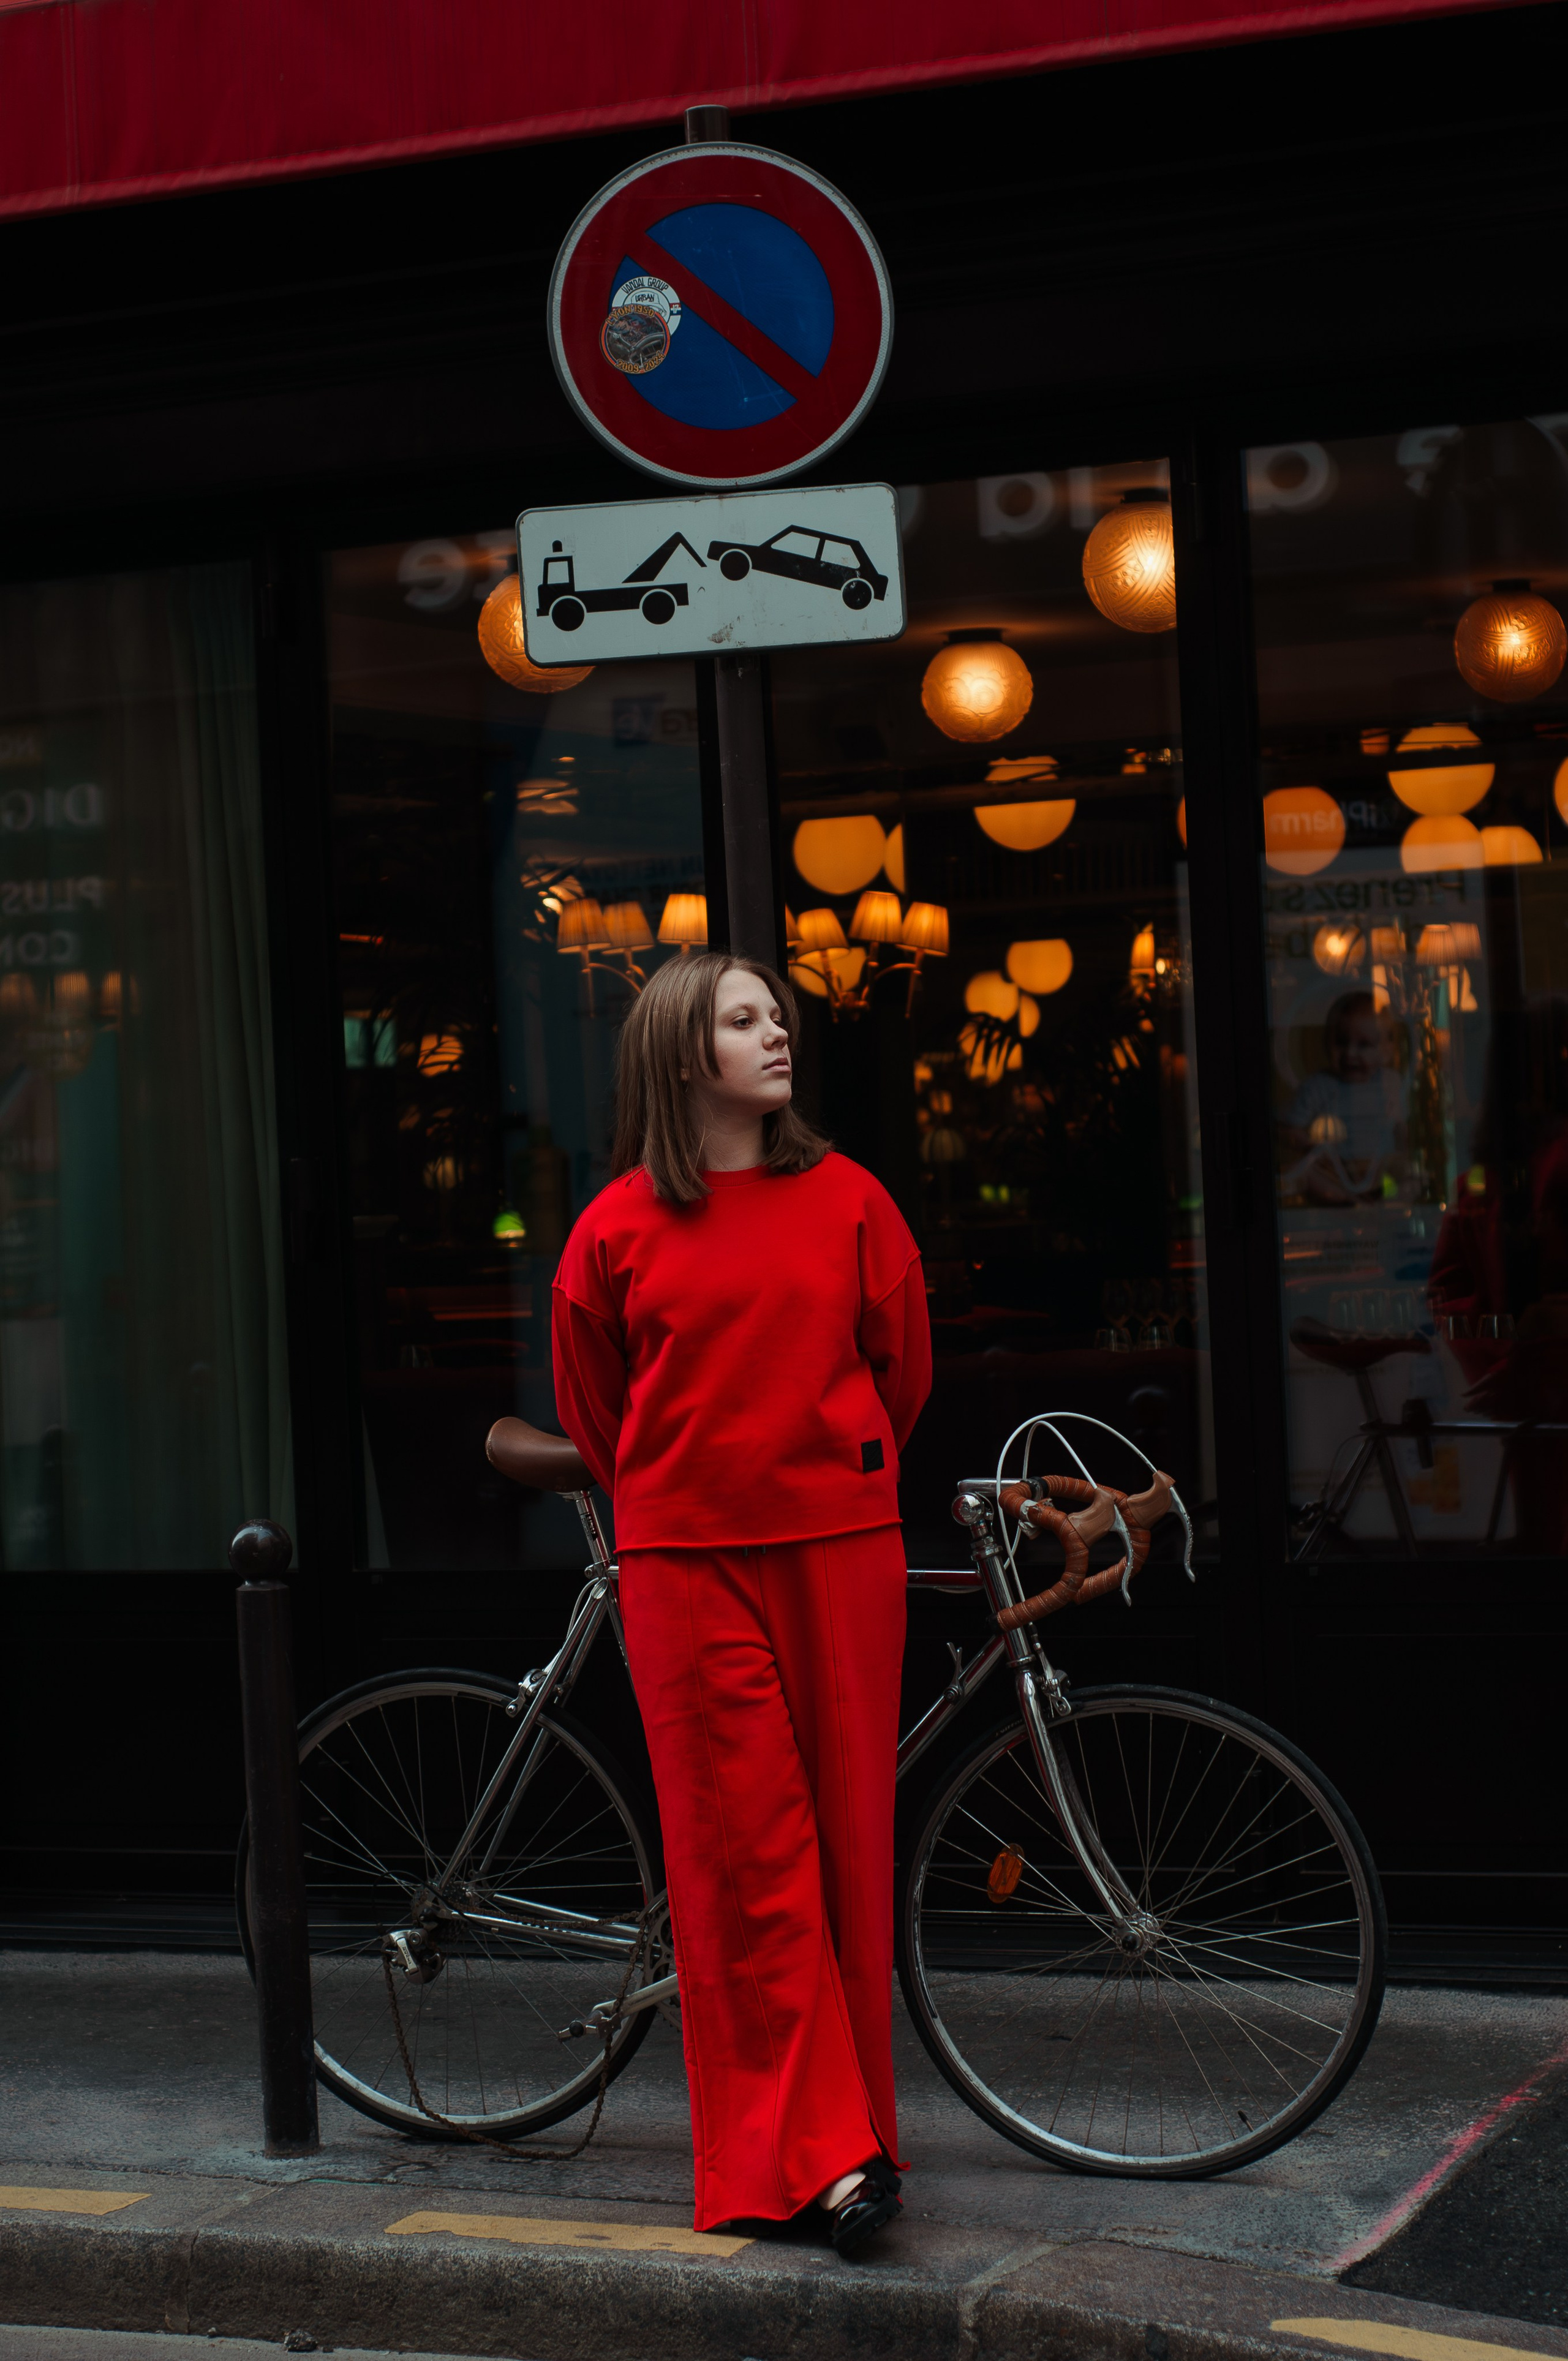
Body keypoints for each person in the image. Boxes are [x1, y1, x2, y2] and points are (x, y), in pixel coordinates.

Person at [540, 952, 927, 2253]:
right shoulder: (612, 1230)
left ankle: (850, 2135)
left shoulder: (852, 1199)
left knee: (843, 1849)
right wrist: (691, 1489)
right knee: (745, 1862)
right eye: (743, 1018)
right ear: (678, 1052)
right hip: (686, 1562)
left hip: (840, 1545)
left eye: (778, 1017)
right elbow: (600, 1417)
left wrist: (816, 1468)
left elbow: (900, 1373)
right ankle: (821, 2162)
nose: (777, 1036)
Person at [1279, 989, 1406, 1205]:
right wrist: (1313, 1146)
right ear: (1327, 1042)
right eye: (1341, 1043)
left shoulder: (1390, 1083)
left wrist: (1404, 1154)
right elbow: (1289, 1129)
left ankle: (1386, 1203)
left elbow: (1402, 1128)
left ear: (1386, 1050)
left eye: (1364, 1045)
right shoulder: (1319, 1086)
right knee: (1302, 1173)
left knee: (1408, 1171)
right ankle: (1350, 1202)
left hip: (1380, 1167)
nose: (1350, 1054)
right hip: (1335, 1169)